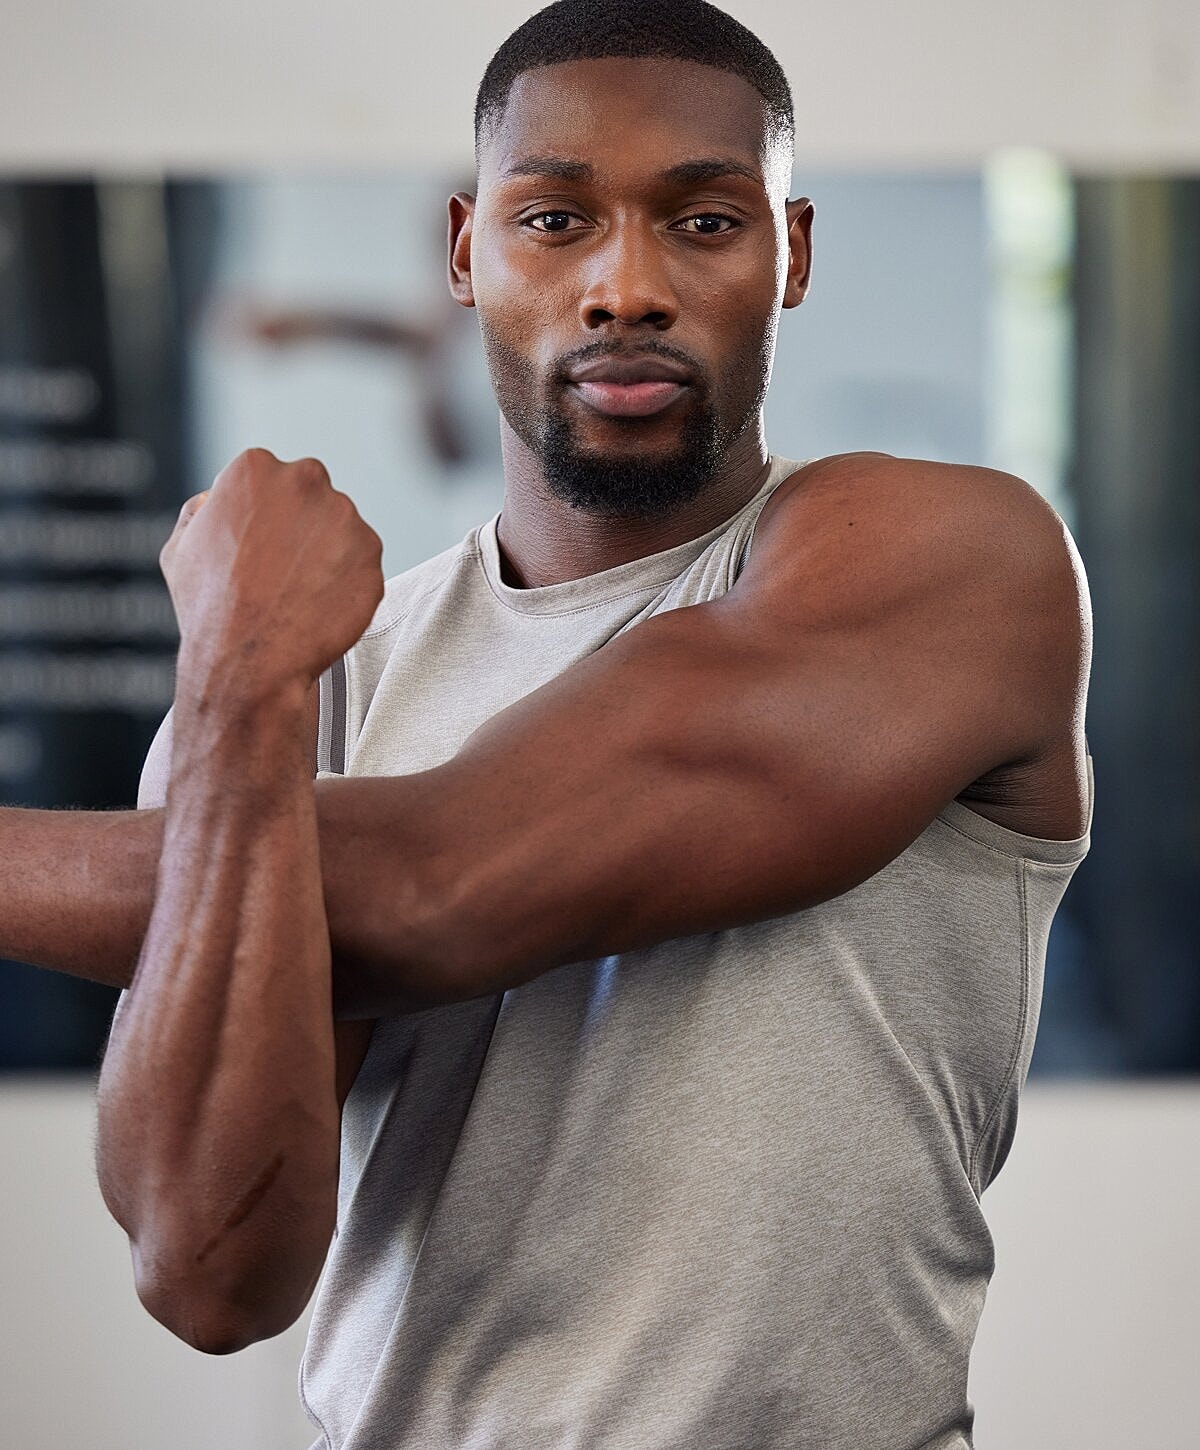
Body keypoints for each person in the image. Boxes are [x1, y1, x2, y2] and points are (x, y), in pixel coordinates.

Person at [0, 2, 1093, 1446]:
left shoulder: (954, 560)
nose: (625, 286)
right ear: (467, 252)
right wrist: (241, 690)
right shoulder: (311, 680)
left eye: (704, 221)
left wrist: (233, 734)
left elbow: (438, 879)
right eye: (555, 219)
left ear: (793, 251)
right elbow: (210, 1274)